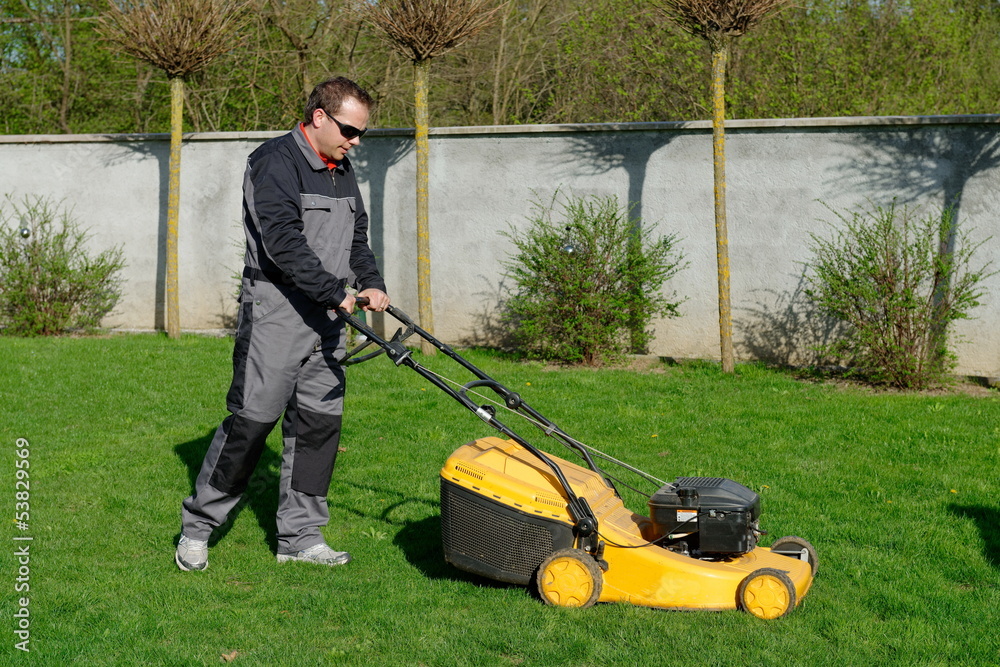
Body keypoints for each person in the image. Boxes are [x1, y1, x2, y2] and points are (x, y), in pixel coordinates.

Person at [176, 76, 390, 571]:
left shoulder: (341, 168)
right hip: (277, 312)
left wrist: (370, 281)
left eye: (360, 133)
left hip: (329, 318)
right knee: (251, 424)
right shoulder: (273, 161)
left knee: (318, 428)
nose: (355, 141)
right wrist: (335, 291)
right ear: (320, 116)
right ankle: (198, 528)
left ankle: (300, 537)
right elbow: (282, 241)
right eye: (350, 130)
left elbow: (357, 237)